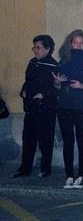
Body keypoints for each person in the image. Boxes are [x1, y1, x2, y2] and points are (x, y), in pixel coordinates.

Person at [54, 29, 83, 189]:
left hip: (82, 106)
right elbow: (57, 87)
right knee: (68, 142)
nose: (78, 45)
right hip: (65, 105)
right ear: (69, 44)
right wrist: (57, 82)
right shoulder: (63, 61)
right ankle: (69, 175)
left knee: (82, 140)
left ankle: (82, 175)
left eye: (81, 43)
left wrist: (82, 85)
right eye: (75, 42)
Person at [11, 35, 58, 178]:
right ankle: (25, 168)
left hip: (45, 109)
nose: (35, 51)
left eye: (38, 48)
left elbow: (56, 87)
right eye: (34, 47)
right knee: (28, 139)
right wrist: (24, 91)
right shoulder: (32, 62)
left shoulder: (53, 65)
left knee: (45, 140)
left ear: (48, 49)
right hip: (31, 108)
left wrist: (44, 94)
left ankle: (45, 168)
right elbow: (28, 81)